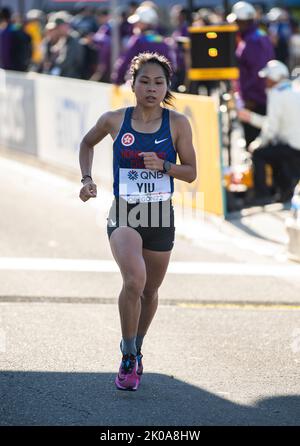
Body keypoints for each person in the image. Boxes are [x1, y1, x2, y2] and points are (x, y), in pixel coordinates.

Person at [79, 52, 196, 391]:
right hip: (126, 212)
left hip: (160, 213)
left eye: (159, 82)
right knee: (134, 281)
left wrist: (165, 166)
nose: (151, 88)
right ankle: (127, 352)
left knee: (151, 290)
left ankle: (139, 344)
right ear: (132, 84)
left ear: (167, 87)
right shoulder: (115, 120)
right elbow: (87, 143)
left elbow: (191, 173)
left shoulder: (178, 124)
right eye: (144, 81)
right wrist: (86, 179)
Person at [238, 60, 300, 204]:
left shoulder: (276, 94)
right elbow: (275, 123)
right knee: (274, 153)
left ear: (275, 78)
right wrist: (251, 117)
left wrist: (257, 144)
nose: (266, 82)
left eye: (268, 78)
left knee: (259, 154)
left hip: (292, 147)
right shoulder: (294, 89)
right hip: (293, 146)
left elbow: (271, 128)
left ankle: (261, 195)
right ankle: (284, 192)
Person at [228, 1, 275, 149]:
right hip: (259, 98)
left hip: (255, 101)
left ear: (242, 21)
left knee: (256, 144)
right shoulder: (257, 36)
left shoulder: (251, 42)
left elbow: (258, 73)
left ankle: (259, 172)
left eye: (236, 22)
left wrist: (251, 98)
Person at [111, 6, 176, 85]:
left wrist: (117, 81)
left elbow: (124, 62)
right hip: (161, 88)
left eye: (138, 22)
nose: (135, 25)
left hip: (139, 88)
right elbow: (170, 67)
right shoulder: (162, 41)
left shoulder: (138, 41)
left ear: (145, 23)